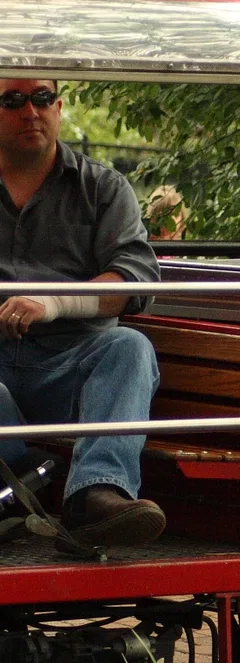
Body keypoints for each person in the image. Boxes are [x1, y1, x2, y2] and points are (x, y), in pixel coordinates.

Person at [0, 79, 166, 547]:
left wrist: (50, 304)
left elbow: (133, 280)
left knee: (129, 346)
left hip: (69, 369)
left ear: (58, 105)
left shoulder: (104, 188)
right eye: (12, 100)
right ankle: (17, 480)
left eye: (40, 98)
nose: (29, 111)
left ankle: (95, 496)